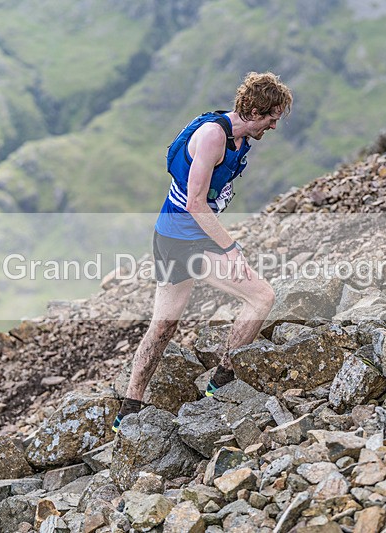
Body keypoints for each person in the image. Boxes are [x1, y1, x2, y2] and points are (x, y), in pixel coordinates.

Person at [113, 72, 293, 431]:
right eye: (272, 117)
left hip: (188, 236)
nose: (274, 126)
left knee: (172, 323)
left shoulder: (239, 138)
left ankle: (205, 388)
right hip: (179, 240)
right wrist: (230, 248)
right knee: (249, 301)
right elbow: (196, 202)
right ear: (255, 110)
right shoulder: (213, 136)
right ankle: (153, 402)